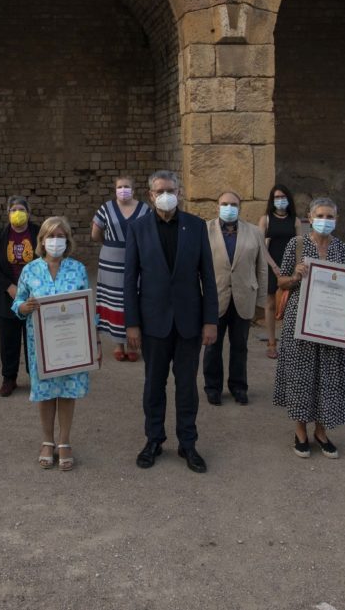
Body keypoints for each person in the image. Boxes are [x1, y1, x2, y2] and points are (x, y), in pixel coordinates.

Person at [125, 170, 217, 474]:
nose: (166, 194)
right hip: (153, 322)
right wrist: (132, 323)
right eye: (160, 190)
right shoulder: (138, 229)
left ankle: (188, 443)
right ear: (151, 195)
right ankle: (154, 439)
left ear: (179, 192)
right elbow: (130, 281)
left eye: (171, 189)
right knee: (154, 384)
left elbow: (208, 276)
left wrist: (210, 320)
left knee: (187, 385)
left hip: (190, 321)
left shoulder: (196, 226)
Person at [273, 197, 345, 459]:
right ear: (309, 216)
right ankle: (300, 432)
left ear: (337, 220)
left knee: (328, 376)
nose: (325, 220)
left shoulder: (342, 249)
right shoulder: (296, 245)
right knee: (301, 375)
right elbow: (282, 283)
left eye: (330, 216)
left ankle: (321, 431)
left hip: (332, 324)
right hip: (300, 322)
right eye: (320, 215)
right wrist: (296, 275)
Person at [13, 217, 94, 471]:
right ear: (42, 241)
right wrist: (23, 307)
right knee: (46, 392)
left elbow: (87, 305)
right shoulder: (30, 270)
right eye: (51, 236)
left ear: (67, 240)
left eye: (60, 236)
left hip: (72, 343)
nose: (55, 241)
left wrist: (94, 340)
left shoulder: (78, 269)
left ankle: (64, 441)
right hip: (42, 344)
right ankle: (47, 439)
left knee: (68, 390)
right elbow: (18, 303)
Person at [204, 190, 267, 406]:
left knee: (240, 345)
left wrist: (261, 300)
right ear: (217, 206)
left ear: (240, 207)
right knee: (212, 345)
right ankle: (213, 387)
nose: (228, 208)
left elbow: (262, 268)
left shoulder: (254, 232)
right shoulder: (205, 230)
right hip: (214, 297)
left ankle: (239, 386)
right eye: (224, 203)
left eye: (233, 204)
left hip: (244, 297)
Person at [91, 176, 150, 362]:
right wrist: (110, 244)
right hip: (111, 261)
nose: (123, 189)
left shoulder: (145, 209)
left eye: (126, 186)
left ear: (134, 189)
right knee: (114, 300)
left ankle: (134, 344)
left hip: (137, 259)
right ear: (115, 189)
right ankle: (119, 344)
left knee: (134, 297)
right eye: (119, 187)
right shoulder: (105, 208)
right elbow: (95, 234)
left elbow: (150, 234)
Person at [0, 196, 40, 397]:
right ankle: (9, 378)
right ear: (8, 213)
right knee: (8, 339)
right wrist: (9, 286)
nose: (17, 213)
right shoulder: (0, 236)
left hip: (34, 295)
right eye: (13, 209)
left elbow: (46, 258)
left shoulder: (38, 233)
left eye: (21, 209)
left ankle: (35, 375)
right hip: (7, 296)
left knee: (34, 339)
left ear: (28, 212)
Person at [258, 184, 300, 359]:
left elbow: (299, 245)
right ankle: (272, 342)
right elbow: (260, 245)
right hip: (271, 264)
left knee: (291, 305)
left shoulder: (295, 220)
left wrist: (298, 268)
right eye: (276, 197)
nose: (280, 200)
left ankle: (291, 342)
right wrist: (274, 266)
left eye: (283, 197)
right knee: (270, 304)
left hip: (290, 266)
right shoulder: (265, 219)